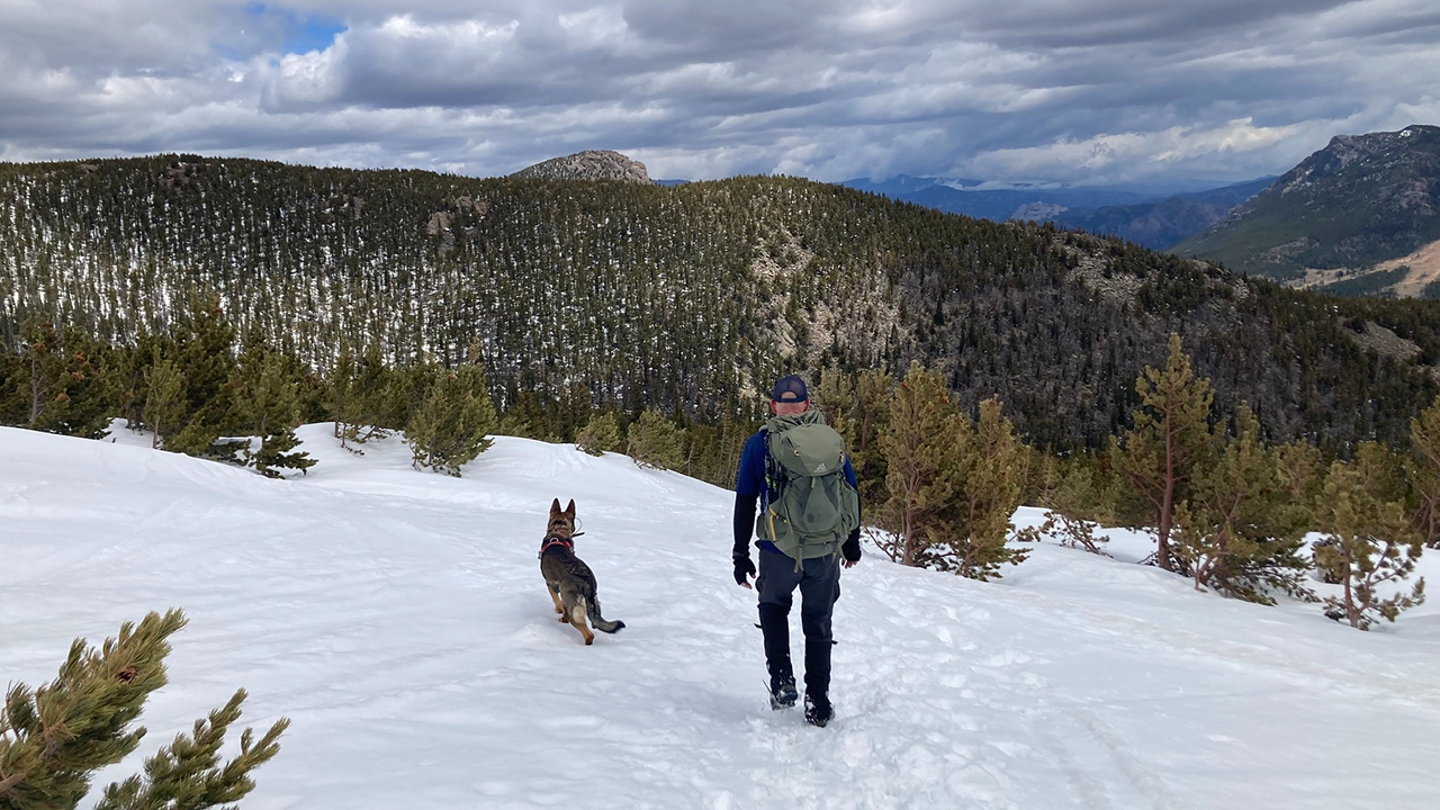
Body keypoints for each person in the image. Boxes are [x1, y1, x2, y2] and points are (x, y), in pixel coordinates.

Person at [732, 374, 861, 727]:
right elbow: (850, 490)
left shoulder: (760, 444)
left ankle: (782, 681)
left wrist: (740, 555)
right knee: (818, 622)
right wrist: (851, 542)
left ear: (774, 406)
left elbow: (745, 501)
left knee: (773, 607)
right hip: (824, 551)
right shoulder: (830, 440)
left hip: (778, 548)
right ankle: (817, 701)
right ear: (806, 406)